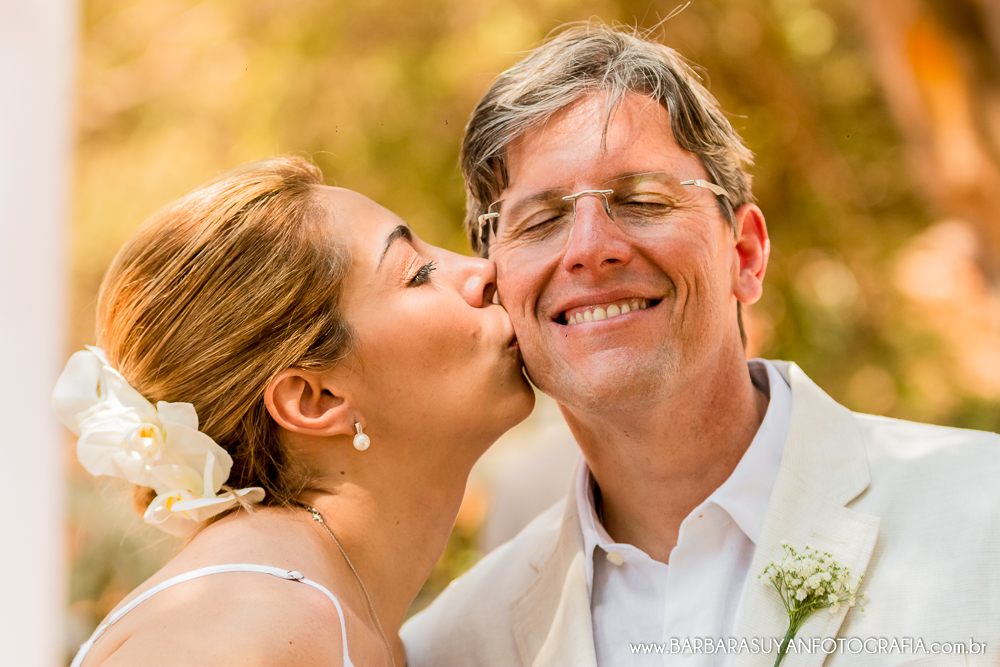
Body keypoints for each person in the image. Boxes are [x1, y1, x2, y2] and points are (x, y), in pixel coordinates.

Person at [401, 23, 1000, 666]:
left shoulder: (980, 506)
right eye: (541, 219)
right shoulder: (453, 647)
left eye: (643, 199)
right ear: (498, 289)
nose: (589, 248)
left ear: (744, 252)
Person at [56, 156, 535, 666]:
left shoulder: (325, 614)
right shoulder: (239, 629)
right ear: (315, 400)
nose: (482, 271)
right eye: (418, 274)